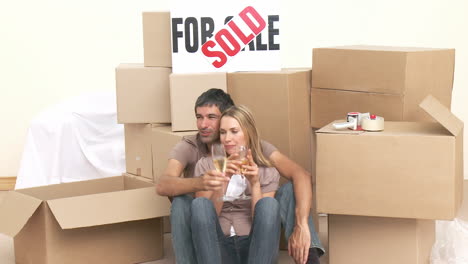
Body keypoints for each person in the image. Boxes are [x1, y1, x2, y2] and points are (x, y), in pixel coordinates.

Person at [156, 88, 324, 264]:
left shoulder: (262, 156)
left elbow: (298, 178)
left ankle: (309, 258)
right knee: (185, 203)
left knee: (283, 195)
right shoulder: (198, 155)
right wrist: (208, 181)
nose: (204, 124)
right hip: (214, 237)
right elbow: (167, 187)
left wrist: (301, 224)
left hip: (250, 238)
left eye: (212, 118)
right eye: (199, 117)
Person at [191, 105, 281, 263]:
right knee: (200, 204)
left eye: (234, 131)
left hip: (253, 248)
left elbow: (262, 224)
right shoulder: (206, 166)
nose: (227, 139)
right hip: (218, 248)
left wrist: (255, 184)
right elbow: (206, 219)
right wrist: (224, 177)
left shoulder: (268, 171)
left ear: (248, 132)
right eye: (223, 132)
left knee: (269, 204)